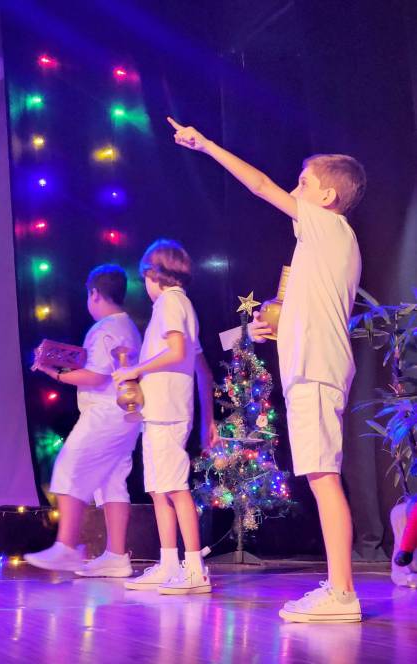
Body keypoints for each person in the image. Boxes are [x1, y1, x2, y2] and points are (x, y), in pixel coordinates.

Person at [168, 116, 366, 622]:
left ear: (326, 197)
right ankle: (338, 588)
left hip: (317, 369)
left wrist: (206, 144)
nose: (294, 192)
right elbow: (307, 310)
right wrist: (268, 328)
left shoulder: (328, 225)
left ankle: (342, 593)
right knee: (320, 475)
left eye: (303, 184)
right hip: (310, 366)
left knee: (323, 477)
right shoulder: (319, 244)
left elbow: (259, 185)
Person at [113, 239, 219, 594]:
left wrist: (135, 370)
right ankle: (170, 563)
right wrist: (207, 420)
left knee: (175, 487)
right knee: (159, 489)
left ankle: (194, 568)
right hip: (160, 411)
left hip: (168, 411)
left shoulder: (171, 302)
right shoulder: (177, 306)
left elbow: (176, 352)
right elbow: (203, 370)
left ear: (153, 274)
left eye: (145, 277)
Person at [25, 264, 142, 577]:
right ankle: (116, 555)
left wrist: (55, 373)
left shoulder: (104, 329)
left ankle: (66, 546)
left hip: (104, 413)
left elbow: (95, 376)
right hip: (127, 415)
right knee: (112, 481)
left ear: (94, 294)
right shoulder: (128, 326)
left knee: (69, 466)